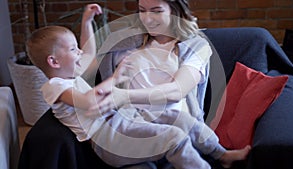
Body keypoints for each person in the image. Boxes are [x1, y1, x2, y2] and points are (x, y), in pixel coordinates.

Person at [27, 3, 250, 169]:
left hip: (129, 116)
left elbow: (89, 52)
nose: (146, 18)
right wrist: (115, 78)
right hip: (111, 134)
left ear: (173, 10)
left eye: (156, 10)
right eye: (142, 9)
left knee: (183, 121)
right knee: (175, 137)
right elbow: (89, 99)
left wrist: (86, 22)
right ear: (53, 62)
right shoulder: (55, 85)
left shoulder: (196, 46)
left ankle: (222, 155)